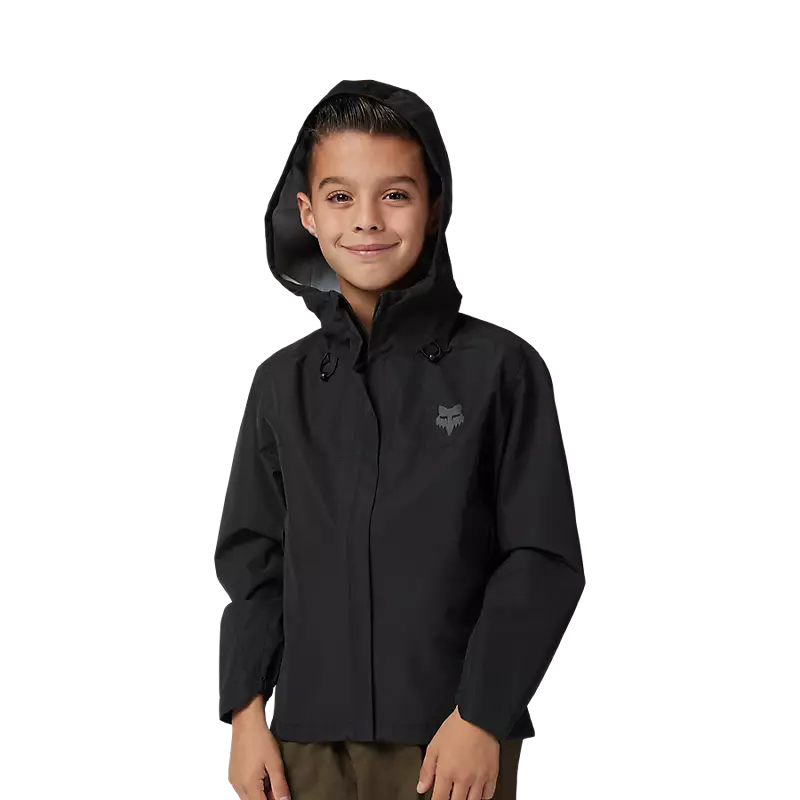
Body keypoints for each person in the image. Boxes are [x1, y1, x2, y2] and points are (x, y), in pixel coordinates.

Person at [214, 78, 586, 800]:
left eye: (395, 194)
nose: (367, 220)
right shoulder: (281, 384)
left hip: (449, 744)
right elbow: (255, 563)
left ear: (433, 204)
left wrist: (482, 715)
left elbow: (541, 558)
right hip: (303, 747)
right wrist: (245, 715)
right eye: (340, 196)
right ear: (307, 213)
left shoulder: (501, 369)